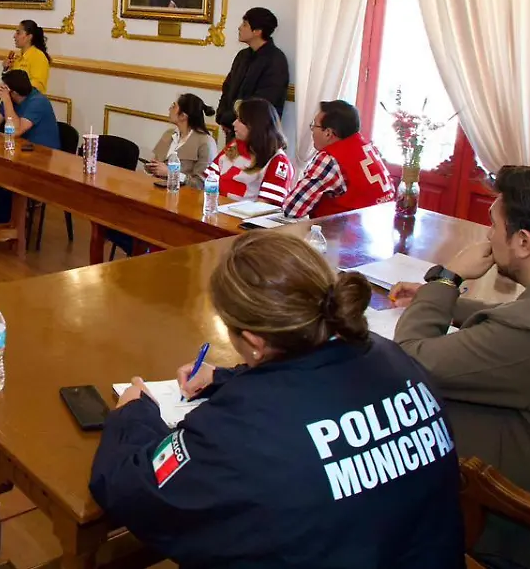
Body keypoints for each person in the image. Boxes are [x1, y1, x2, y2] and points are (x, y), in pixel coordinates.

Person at [90, 232, 464, 568]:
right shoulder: (394, 357)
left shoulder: (243, 427)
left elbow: (132, 490)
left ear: (254, 341)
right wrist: (225, 377)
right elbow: (311, 382)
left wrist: (133, 412)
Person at [389, 165, 530, 569]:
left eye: (493, 224)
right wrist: (443, 301)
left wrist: (447, 278)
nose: (488, 236)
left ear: (523, 241)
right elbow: (510, 322)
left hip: (517, 523)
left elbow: (411, 358)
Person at [282, 100, 395, 219]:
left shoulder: (330, 158)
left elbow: (292, 209)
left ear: (328, 133)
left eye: (314, 125)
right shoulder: (367, 148)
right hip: (381, 223)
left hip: (348, 228)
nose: (312, 131)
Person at [0, 69, 60, 225]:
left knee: (3, 182)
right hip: (20, 155)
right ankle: (7, 220)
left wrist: (6, 100)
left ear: (13, 92)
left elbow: (15, 130)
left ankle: (7, 224)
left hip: (42, 160)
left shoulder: (38, 102)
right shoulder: (11, 101)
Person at [214, 7, 290, 142]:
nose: (239, 28)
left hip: (258, 135)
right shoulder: (242, 56)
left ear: (257, 31)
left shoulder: (276, 60)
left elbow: (263, 102)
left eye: (244, 24)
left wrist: (231, 119)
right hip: (234, 129)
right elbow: (228, 88)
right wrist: (222, 117)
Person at [204, 97, 293, 206]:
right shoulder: (233, 146)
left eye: (240, 120)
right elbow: (208, 180)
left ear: (255, 125)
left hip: (242, 216)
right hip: (216, 209)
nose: (234, 123)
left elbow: (265, 207)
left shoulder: (278, 161)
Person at [144, 93, 218, 190]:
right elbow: (157, 164)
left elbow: (201, 184)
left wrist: (171, 173)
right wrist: (152, 168)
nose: (169, 109)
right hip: (157, 189)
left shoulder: (206, 142)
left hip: (184, 194)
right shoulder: (169, 134)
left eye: (173, 106)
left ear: (183, 116)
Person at [2, 20, 51, 94]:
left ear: (29, 37)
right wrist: (5, 69)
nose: (14, 36)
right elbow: (9, 82)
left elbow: (38, 86)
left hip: (30, 100)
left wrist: (15, 89)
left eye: (18, 33)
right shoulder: (17, 58)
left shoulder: (38, 57)